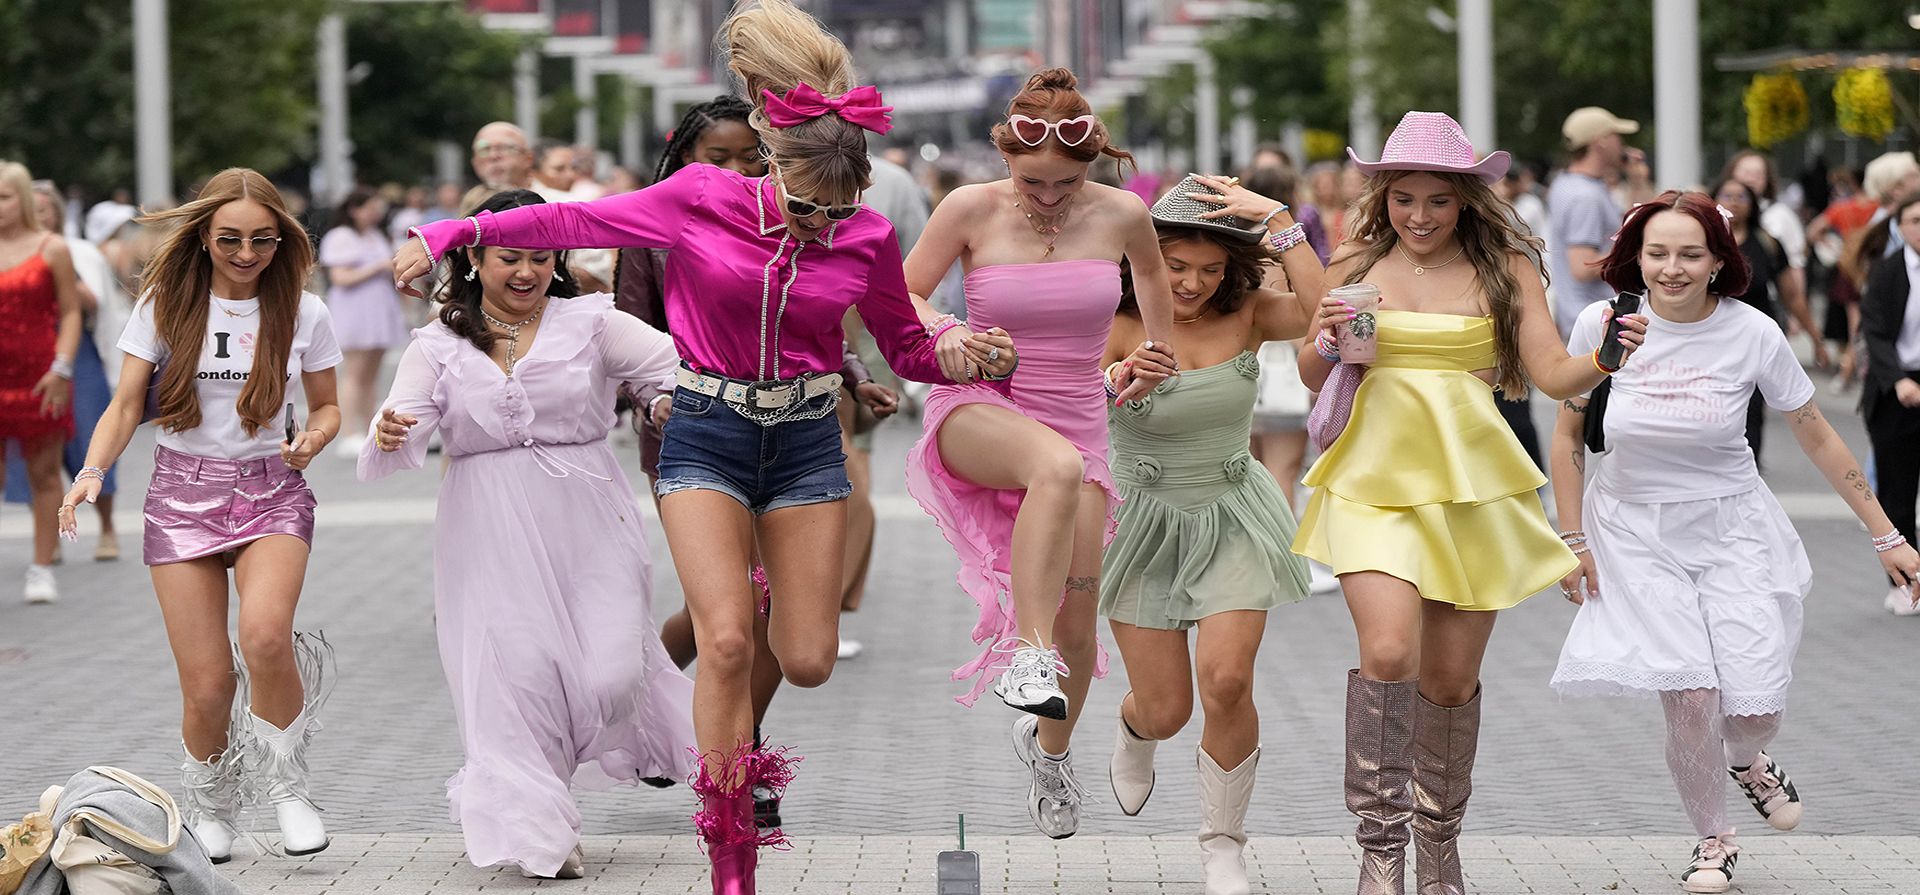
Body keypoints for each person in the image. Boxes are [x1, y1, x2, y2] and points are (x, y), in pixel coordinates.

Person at [390, 3, 999, 889]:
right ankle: (729, 851)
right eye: (802, 206)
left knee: (807, 659)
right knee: (721, 645)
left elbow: (903, 343)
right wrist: (450, 234)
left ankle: (759, 581)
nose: (815, 227)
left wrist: (960, 353)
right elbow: (571, 228)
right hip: (706, 431)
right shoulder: (700, 200)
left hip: (802, 443)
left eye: (834, 213)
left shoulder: (864, 236)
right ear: (769, 169)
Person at [1291, 112, 1647, 895]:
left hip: (1471, 486)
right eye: (1404, 199)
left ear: (1465, 201)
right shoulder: (1354, 258)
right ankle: (1379, 851)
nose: (1419, 216)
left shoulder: (1505, 268)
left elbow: (1552, 374)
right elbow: (1315, 376)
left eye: (1437, 201)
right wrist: (1321, 339)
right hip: (1371, 481)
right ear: (1382, 196)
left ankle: (1439, 851)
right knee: (1388, 654)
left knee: (1449, 683)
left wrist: (1606, 357)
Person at [1549, 189, 1919, 894]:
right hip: (1633, 529)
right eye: (1657, 253)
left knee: (1753, 708)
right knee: (1689, 693)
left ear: (1720, 260)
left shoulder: (1752, 332)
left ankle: (1750, 760)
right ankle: (1713, 839)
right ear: (1637, 257)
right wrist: (1572, 540)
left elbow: (1814, 428)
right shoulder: (1605, 323)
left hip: (1733, 527)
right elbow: (1568, 432)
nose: (1673, 268)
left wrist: (1887, 535)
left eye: (1691, 253)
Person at [361, 189, 695, 880]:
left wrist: (663, 402)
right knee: (513, 676)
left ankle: (548, 786)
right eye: (509, 256)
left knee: (611, 674)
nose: (526, 272)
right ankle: (537, 819)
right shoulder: (439, 341)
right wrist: (394, 428)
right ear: (474, 257)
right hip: (484, 522)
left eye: (541, 258)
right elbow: (404, 417)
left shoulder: (593, 321)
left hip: (590, 514)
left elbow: (677, 374)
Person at [901, 67, 1175, 841]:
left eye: (1065, 181)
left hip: (1081, 413)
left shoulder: (1122, 213)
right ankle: (1026, 651)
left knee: (1081, 623)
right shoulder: (968, 208)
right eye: (1033, 181)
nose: (1049, 195)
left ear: (1090, 164)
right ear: (1006, 157)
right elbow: (901, 294)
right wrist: (948, 333)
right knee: (1050, 468)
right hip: (983, 405)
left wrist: (1160, 351)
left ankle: (1051, 756)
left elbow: (1152, 275)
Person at [58, 168, 343, 861]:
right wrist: (91, 472)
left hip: (272, 491)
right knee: (208, 679)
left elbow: (330, 405)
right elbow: (126, 404)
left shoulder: (304, 311)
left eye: (263, 240)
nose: (247, 254)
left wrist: (314, 438)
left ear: (283, 239)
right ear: (204, 237)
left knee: (266, 636)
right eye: (231, 240)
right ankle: (212, 802)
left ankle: (287, 789)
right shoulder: (165, 302)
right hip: (181, 496)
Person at [1099, 174, 1318, 894]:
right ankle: (1136, 732)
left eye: (1211, 268)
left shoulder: (1249, 310)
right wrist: (1114, 379)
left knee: (1227, 679)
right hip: (1141, 518)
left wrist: (1281, 220)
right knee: (1167, 708)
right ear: (1143, 257)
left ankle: (1223, 841)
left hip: (1232, 509)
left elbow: (1329, 319)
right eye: (1176, 266)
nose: (1192, 284)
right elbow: (1060, 392)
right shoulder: (1114, 315)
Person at [5, 180, 128, 563]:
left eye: (46, 209)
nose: (39, 215)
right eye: (34, 208)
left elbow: (94, 304)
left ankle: (106, 526)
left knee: (89, 440)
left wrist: (63, 284)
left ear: (56, 213)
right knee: (34, 458)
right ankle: (50, 536)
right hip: (25, 361)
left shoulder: (71, 252)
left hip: (79, 357)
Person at [0, 161, 81, 604]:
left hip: (40, 376)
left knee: (44, 471)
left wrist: (62, 367)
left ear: (24, 200)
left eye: (4, 197)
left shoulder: (52, 248)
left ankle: (42, 566)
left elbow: (70, 311)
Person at [1861, 195, 1920, 617]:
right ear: (1901, 225)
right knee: (1897, 491)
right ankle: (1904, 583)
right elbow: (1874, 331)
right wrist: (1897, 379)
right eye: (1916, 221)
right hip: (1893, 389)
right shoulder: (1886, 271)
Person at [1722, 151, 1831, 371]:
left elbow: (1792, 283)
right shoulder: (1704, 230)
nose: (1750, 178)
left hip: (1758, 329)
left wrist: (1809, 331)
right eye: (1745, 172)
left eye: (1758, 173)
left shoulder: (1776, 224)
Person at [318, 188, 407, 454]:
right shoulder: (340, 237)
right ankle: (348, 433)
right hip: (355, 309)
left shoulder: (375, 235)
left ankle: (371, 427)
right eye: (369, 207)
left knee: (372, 374)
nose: (375, 213)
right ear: (354, 209)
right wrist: (376, 268)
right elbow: (340, 278)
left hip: (378, 308)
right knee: (354, 373)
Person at [1548, 106, 1638, 335]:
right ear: (1602, 141)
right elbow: (1582, 266)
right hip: (1597, 323)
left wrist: (1637, 180)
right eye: (1617, 136)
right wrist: (1638, 253)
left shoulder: (1566, 183)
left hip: (1583, 317)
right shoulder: (1586, 197)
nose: (1622, 144)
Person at [471, 121, 533, 190]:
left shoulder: (545, 198)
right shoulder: (468, 200)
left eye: (503, 147)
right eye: (485, 149)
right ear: (475, 163)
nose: (493, 156)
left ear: (527, 159)